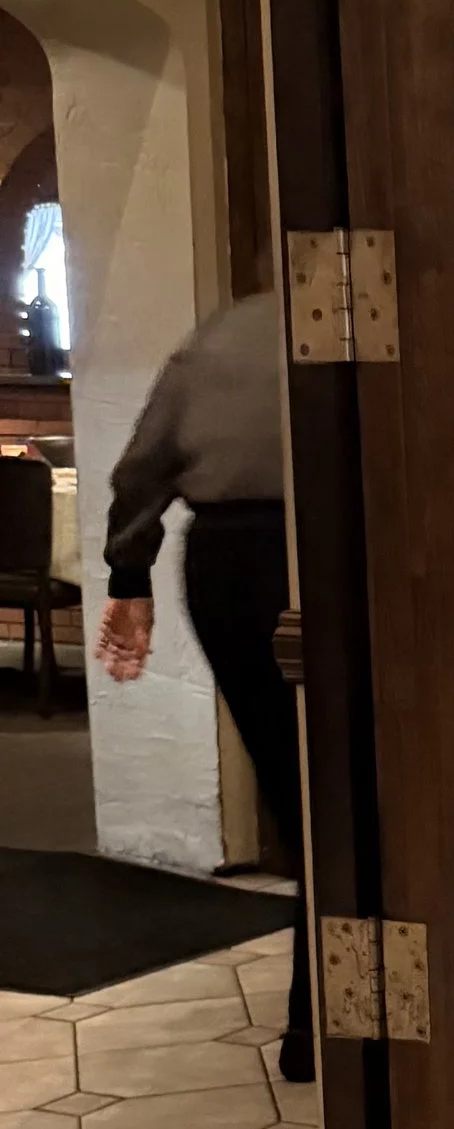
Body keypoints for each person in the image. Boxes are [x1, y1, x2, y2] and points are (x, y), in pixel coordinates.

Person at [95, 288, 313, 1079]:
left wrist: (129, 575)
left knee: (299, 794)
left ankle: (313, 1021)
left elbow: (144, 463)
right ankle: (321, 1017)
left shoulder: (224, 333)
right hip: (325, 542)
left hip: (229, 565)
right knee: (342, 794)